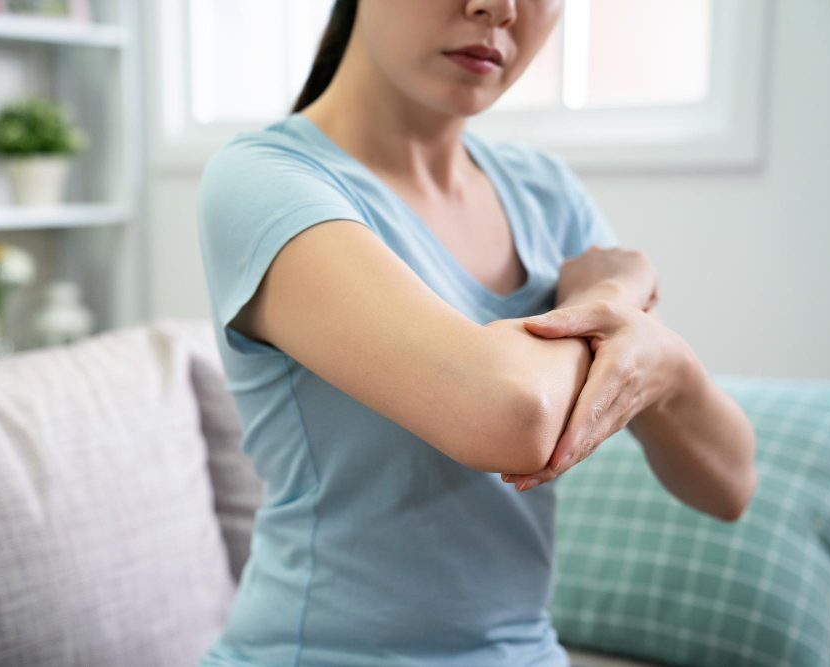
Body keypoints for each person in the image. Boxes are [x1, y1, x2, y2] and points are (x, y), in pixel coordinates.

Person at [195, 1, 757, 664]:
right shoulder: (264, 180)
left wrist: (662, 359)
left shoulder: (546, 194)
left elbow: (729, 481)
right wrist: (612, 293)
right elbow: (507, 416)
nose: (498, 8)